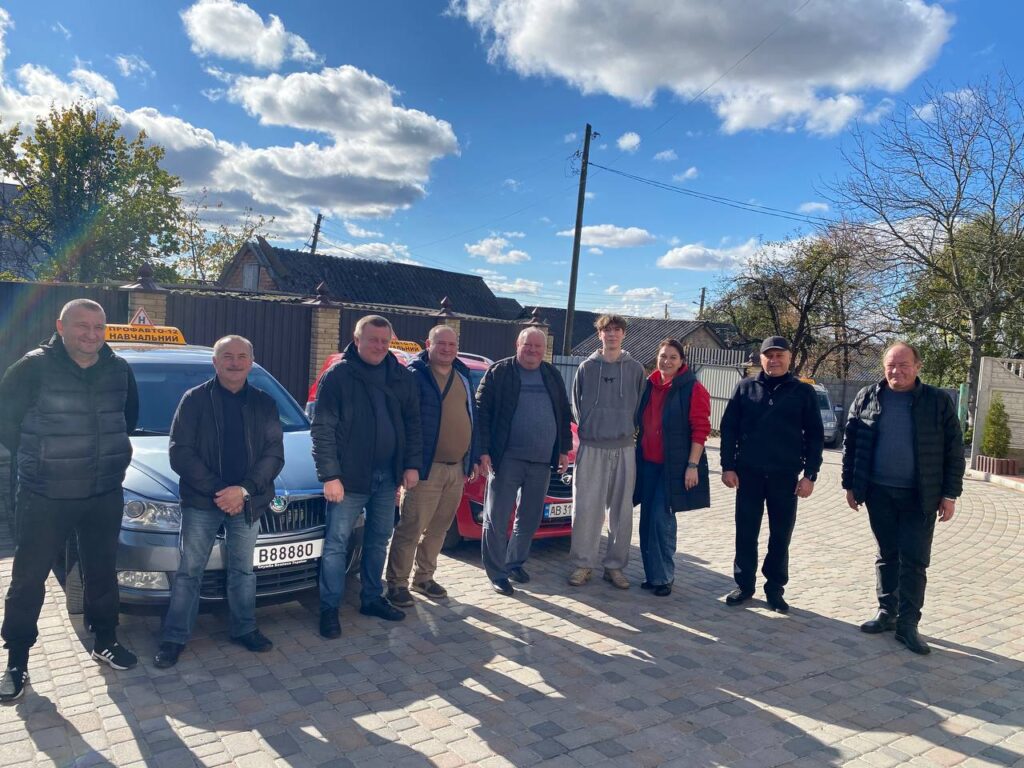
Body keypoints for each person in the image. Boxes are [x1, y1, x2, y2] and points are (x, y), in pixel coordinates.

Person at [0, 299, 138, 702]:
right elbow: (6, 422)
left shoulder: (119, 369)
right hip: (46, 493)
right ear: (61, 327)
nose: (91, 334)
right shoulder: (32, 367)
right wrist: (41, 458)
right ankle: (17, 660)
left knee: (102, 572)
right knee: (29, 579)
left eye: (99, 327)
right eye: (82, 326)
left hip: (102, 492)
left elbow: (127, 419)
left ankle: (105, 640)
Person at [153, 336, 284, 669]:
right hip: (202, 501)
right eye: (227, 356)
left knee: (243, 570)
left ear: (251, 362)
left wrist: (243, 490)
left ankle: (244, 629)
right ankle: (174, 637)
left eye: (242, 356)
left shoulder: (264, 403)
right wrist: (221, 491)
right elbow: (180, 452)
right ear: (215, 362)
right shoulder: (194, 400)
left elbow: (274, 454)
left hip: (248, 501)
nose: (235, 362)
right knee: (190, 571)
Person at [842, 342, 964, 655]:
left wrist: (949, 494)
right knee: (887, 554)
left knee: (914, 560)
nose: (897, 371)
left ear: (918, 366)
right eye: (891, 366)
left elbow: (954, 450)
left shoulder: (937, 401)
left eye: (903, 365)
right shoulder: (867, 396)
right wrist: (850, 485)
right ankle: (887, 612)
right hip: (878, 492)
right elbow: (851, 443)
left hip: (920, 496)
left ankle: (908, 624)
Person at [312, 315, 422, 638]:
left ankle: (372, 598)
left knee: (378, 540)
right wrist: (330, 475)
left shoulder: (400, 375)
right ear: (357, 339)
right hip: (347, 479)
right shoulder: (338, 376)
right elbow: (322, 429)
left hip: (388, 477)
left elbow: (413, 424)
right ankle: (329, 608)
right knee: (336, 544)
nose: (379, 346)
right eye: (373, 340)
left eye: (385, 341)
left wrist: (411, 465)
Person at [719, 336, 823, 612]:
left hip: (785, 477)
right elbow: (728, 428)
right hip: (748, 475)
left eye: (780, 355)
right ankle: (744, 585)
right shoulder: (745, 387)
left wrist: (810, 475)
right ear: (761, 358)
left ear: (789, 358)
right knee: (745, 532)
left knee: (780, 535)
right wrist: (727, 466)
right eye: (769, 355)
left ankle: (775, 589)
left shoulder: (802, 392)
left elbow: (815, 436)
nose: (774, 360)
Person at [385, 325, 480, 607]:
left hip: (456, 468)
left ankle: (424, 577)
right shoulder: (414, 375)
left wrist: (472, 456)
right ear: (428, 344)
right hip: (425, 468)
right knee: (411, 528)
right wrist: (409, 465)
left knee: (439, 529)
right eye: (441, 344)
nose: (447, 349)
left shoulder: (462, 375)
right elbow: (405, 423)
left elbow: (471, 417)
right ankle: (397, 583)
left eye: (452, 344)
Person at [476, 327, 571, 596]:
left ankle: (514, 563)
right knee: (497, 518)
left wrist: (563, 449)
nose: (532, 351)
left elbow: (563, 413)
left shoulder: (551, 374)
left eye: (538, 347)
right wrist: (483, 451)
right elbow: (482, 412)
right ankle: (497, 573)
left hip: (541, 461)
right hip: (506, 459)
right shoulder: (499, 372)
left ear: (544, 350)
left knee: (529, 518)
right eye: (528, 345)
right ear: (517, 345)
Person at [567, 315, 645, 589]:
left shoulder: (635, 369)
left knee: (621, 512)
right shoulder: (587, 368)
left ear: (623, 334)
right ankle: (583, 564)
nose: (612, 334)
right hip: (592, 447)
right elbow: (576, 405)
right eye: (606, 330)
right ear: (599, 335)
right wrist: (593, 428)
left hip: (624, 447)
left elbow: (640, 407)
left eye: (617, 330)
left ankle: (614, 567)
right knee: (586, 509)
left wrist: (625, 429)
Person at [633, 339, 712, 596]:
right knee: (646, 519)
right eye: (663, 356)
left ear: (681, 362)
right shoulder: (649, 385)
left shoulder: (692, 389)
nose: (666, 361)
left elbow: (700, 430)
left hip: (673, 466)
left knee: (661, 518)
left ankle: (664, 577)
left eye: (673, 357)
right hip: (648, 464)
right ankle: (651, 575)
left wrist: (692, 465)